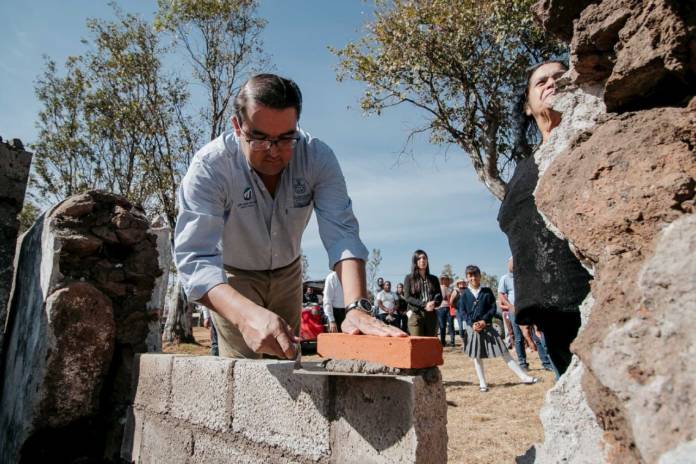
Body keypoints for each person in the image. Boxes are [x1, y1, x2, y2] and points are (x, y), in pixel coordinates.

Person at [174, 74, 405, 359]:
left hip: (289, 272)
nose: (273, 152)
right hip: (234, 278)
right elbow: (194, 257)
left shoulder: (317, 158)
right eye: (259, 139)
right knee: (244, 378)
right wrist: (245, 315)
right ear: (237, 126)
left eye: (285, 139)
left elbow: (342, 232)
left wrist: (357, 306)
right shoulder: (210, 167)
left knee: (288, 365)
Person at [497, 61, 591, 376]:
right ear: (527, 105)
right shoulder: (525, 168)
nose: (552, 82)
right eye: (541, 81)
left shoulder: (591, 141)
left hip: (592, 301)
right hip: (551, 315)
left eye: (561, 77)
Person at [458, 265, 538, 392]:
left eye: (475, 275)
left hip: (488, 327)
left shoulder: (487, 291)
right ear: (467, 277)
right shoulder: (464, 295)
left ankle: (524, 377)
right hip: (473, 329)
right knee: (476, 356)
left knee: (504, 352)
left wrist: (484, 320)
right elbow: (462, 312)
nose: (473, 278)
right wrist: (471, 323)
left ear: (480, 276)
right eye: (470, 275)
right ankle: (482, 383)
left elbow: (492, 308)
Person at [498, 257, 555, 374]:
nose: (513, 265)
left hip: (529, 309)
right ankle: (523, 363)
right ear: (508, 264)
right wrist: (510, 306)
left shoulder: (525, 277)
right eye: (511, 263)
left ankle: (546, 362)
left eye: (516, 263)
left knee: (536, 335)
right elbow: (502, 295)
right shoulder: (505, 278)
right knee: (518, 337)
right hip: (515, 311)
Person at [402, 250, 441, 337]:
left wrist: (434, 303)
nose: (422, 260)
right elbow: (407, 297)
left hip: (431, 316)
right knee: (417, 344)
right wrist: (424, 305)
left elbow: (439, 297)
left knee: (430, 344)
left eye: (424, 258)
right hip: (416, 315)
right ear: (415, 262)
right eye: (419, 258)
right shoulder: (409, 278)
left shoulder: (434, 279)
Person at [436, 275, 455, 347]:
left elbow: (453, 300)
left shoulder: (451, 289)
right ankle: (443, 342)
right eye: (443, 279)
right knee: (442, 326)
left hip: (450, 308)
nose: (445, 280)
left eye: (446, 279)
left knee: (451, 325)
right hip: (440, 308)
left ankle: (452, 342)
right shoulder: (438, 288)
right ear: (441, 280)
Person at [449, 278, 467, 343]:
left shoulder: (467, 290)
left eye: (463, 282)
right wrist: (455, 307)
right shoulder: (455, 291)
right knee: (461, 327)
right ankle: (462, 340)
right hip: (458, 311)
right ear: (458, 284)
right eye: (460, 283)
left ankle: (467, 339)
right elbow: (451, 301)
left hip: (466, 310)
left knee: (468, 325)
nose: (462, 284)